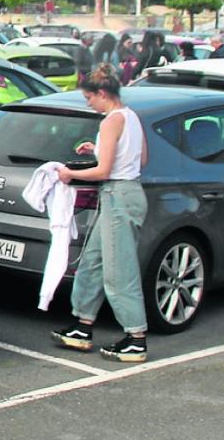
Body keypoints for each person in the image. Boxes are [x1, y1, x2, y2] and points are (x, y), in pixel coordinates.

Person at [52, 63, 150, 362]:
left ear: (102, 93)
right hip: (128, 192)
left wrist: (70, 174)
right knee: (93, 261)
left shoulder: (110, 121)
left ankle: (136, 336)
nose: (88, 103)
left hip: (118, 194)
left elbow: (105, 170)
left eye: (89, 98)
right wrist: (97, 148)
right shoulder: (132, 117)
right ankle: (83, 323)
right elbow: (141, 159)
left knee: (119, 270)